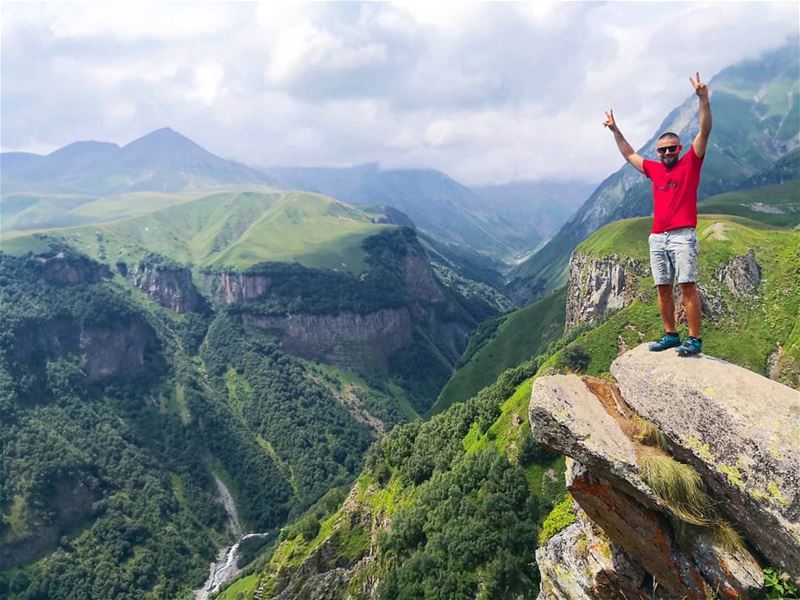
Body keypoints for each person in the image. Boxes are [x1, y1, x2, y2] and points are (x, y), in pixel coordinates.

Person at [603, 72, 712, 356]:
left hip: (682, 236)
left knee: (687, 286)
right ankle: (670, 335)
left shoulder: (691, 163)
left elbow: (704, 132)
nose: (666, 153)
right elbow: (629, 155)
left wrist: (704, 100)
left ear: (679, 149)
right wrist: (616, 131)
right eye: (661, 150)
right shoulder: (654, 170)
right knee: (663, 288)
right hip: (657, 238)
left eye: (670, 149)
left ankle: (694, 339)